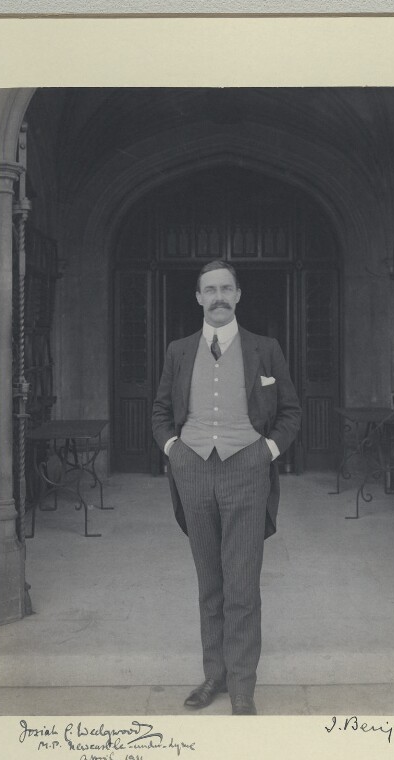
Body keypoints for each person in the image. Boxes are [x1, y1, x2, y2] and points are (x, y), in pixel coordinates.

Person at [151, 260, 301, 715]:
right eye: (209, 289)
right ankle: (213, 675)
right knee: (209, 582)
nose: (218, 296)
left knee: (242, 583)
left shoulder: (265, 348)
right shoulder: (179, 350)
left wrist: (268, 451)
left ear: (238, 295)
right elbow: (160, 411)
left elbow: (291, 411)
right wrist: (174, 450)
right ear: (198, 297)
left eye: (226, 289)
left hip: (247, 470)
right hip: (193, 470)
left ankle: (241, 686)